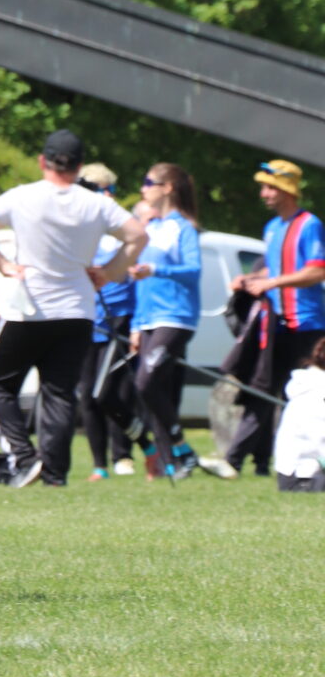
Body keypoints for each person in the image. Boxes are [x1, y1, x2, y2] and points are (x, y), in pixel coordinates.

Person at [0, 130, 145, 488]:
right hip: (78, 310)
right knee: (59, 393)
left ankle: (23, 458)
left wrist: (4, 265)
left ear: (42, 161)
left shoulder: (24, 196)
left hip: (31, 308)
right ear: (79, 166)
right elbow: (138, 236)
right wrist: (108, 273)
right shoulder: (97, 204)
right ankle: (54, 475)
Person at [207, 159, 325, 479]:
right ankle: (238, 462)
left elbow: (317, 270)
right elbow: (277, 268)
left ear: (287, 190)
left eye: (270, 187)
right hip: (277, 326)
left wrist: (272, 283)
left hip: (308, 327)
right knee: (262, 389)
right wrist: (251, 279)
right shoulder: (273, 228)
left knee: (309, 396)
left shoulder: (309, 225)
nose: (264, 194)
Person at [127, 163, 203, 480]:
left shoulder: (183, 228)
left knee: (146, 382)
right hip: (148, 319)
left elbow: (194, 269)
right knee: (154, 388)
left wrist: (156, 270)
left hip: (175, 317)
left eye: (149, 182)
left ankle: (182, 449)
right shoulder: (153, 228)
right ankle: (171, 463)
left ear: (167, 187)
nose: (143, 188)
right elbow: (141, 282)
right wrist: (135, 324)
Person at [74, 163, 139, 479]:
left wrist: (137, 324)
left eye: (105, 189)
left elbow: (136, 278)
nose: (106, 195)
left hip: (119, 318)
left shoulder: (122, 229)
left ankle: (123, 455)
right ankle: (99, 464)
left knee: (112, 391)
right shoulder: (80, 230)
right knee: (88, 394)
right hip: (88, 319)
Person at [273, 336, 325, 491]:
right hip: (301, 477)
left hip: (298, 473)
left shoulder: (309, 382)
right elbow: (318, 437)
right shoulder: (317, 391)